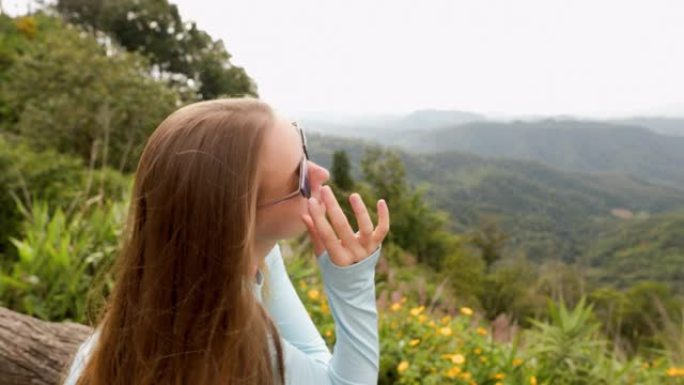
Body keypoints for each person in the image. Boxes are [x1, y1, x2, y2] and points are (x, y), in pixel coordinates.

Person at [61, 97, 390, 385]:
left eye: (304, 148)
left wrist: (257, 246)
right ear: (242, 221)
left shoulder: (106, 346)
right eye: (301, 176)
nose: (322, 175)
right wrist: (352, 284)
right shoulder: (239, 348)